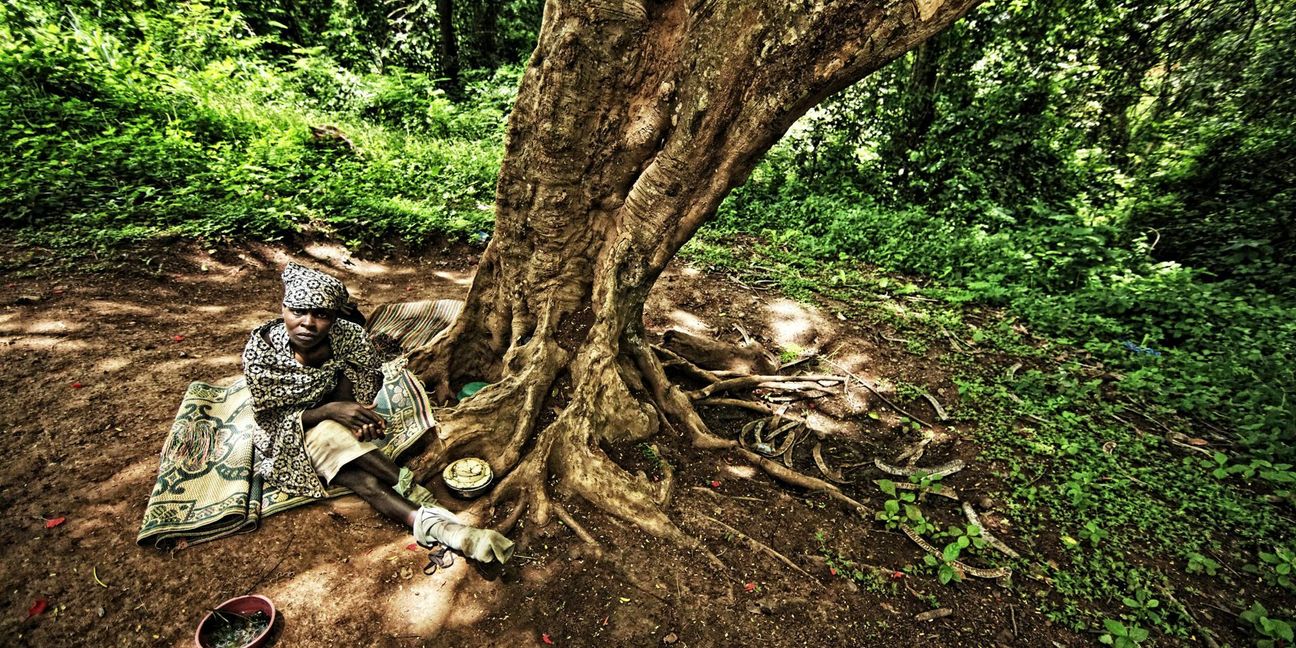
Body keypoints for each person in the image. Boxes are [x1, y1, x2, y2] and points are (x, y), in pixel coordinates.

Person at [241, 262, 512, 564]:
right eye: (297, 311)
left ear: (333, 317)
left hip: (332, 424)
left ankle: (448, 532)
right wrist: (331, 412)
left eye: (321, 314)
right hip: (287, 433)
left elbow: (357, 385)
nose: (307, 323)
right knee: (334, 437)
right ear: (283, 308)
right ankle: (418, 494)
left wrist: (353, 417)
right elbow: (270, 418)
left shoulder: (349, 338)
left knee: (364, 483)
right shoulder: (262, 352)